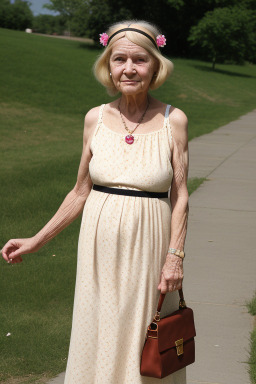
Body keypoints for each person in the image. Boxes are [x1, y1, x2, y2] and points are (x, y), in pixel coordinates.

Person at [1, 20, 189, 384]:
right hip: (97, 247)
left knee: (141, 338)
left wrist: (174, 258)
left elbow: (180, 196)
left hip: (149, 246)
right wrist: (35, 240)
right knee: (97, 328)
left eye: (140, 60)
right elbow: (79, 191)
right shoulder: (95, 119)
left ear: (155, 66)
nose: (129, 68)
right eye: (119, 59)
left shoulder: (173, 120)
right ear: (108, 65)